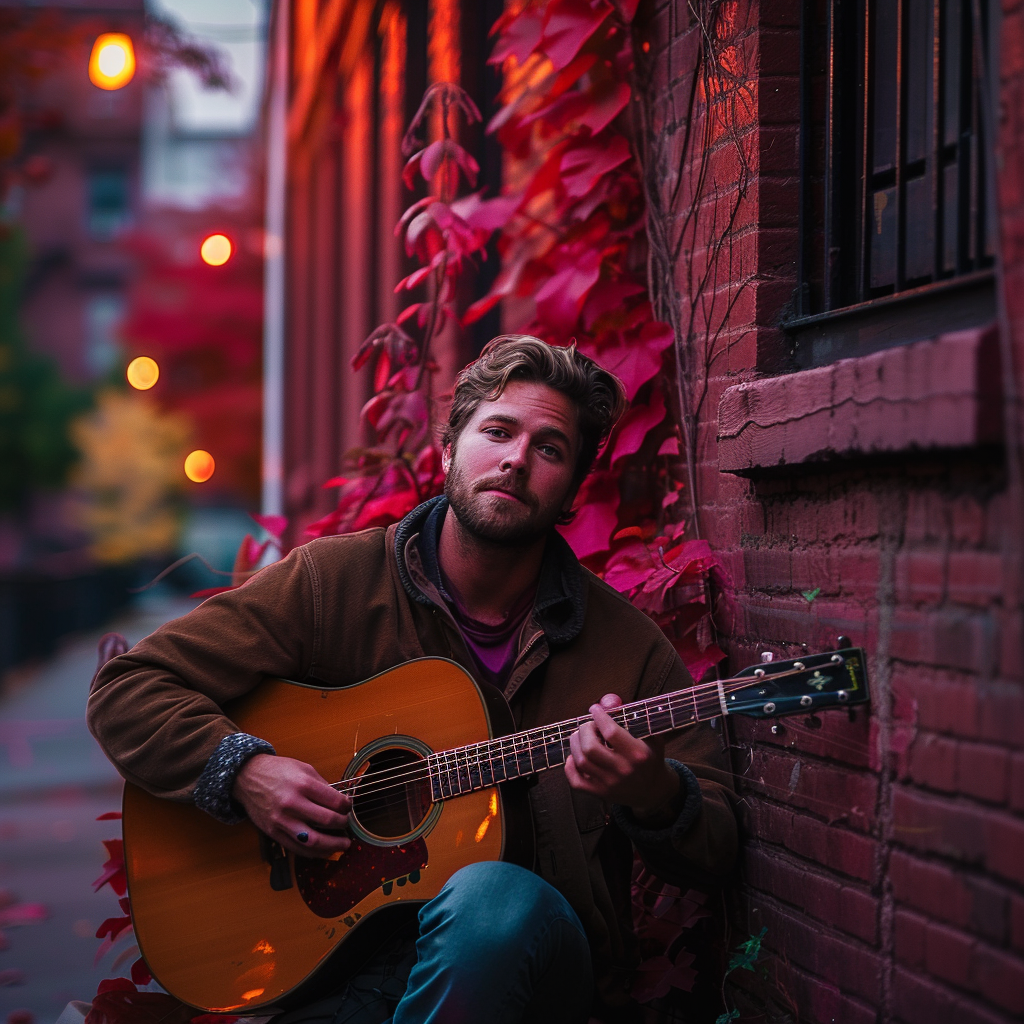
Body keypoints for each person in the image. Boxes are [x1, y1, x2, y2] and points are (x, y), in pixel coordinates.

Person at [88, 335, 737, 1024]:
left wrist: (656, 796)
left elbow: (719, 845)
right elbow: (130, 687)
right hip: (334, 974)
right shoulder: (332, 585)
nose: (517, 459)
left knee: (495, 899)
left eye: (549, 449)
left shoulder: (626, 652)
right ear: (450, 445)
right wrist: (243, 771)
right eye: (498, 431)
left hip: (530, 983)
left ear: (573, 485)